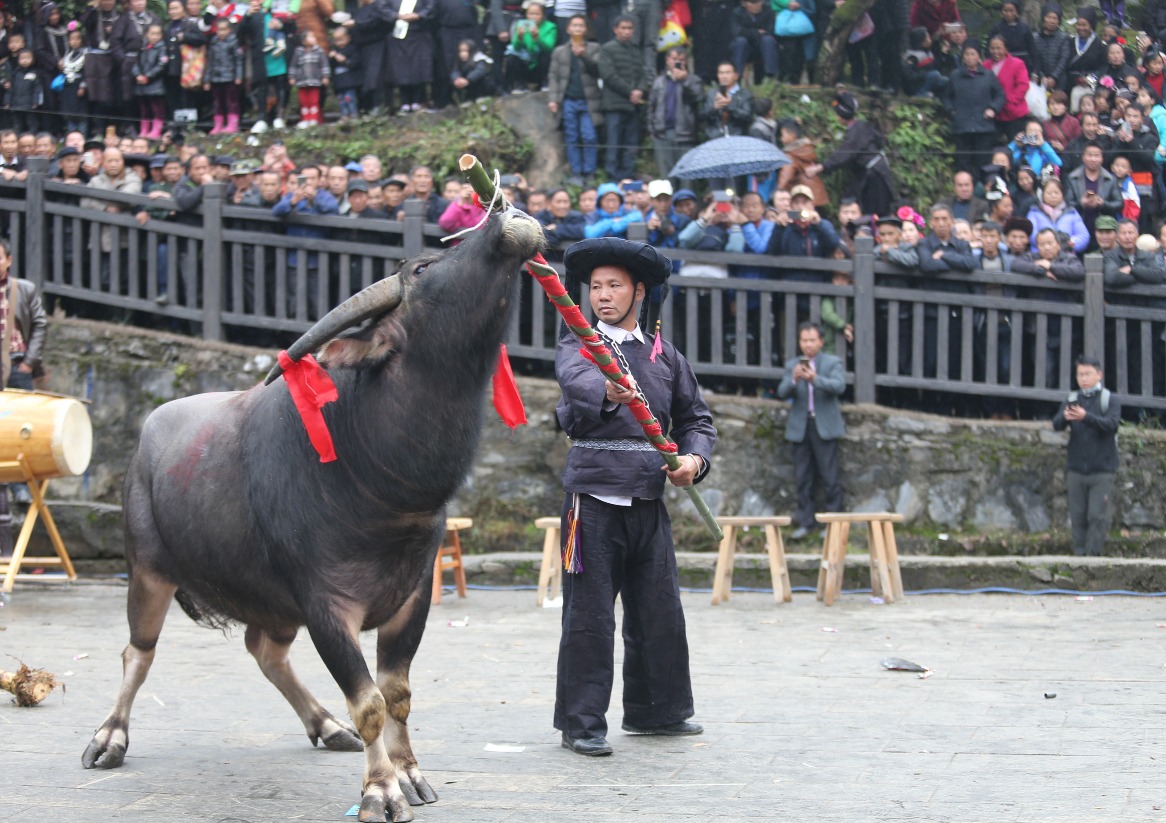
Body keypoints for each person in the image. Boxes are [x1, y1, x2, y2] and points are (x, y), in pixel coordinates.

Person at [553, 237, 716, 757]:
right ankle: (581, 723)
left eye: (614, 286)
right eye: (595, 287)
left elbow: (696, 421)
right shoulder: (579, 345)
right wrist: (608, 389)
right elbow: (577, 386)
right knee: (590, 615)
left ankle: (657, 712)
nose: (602, 296)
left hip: (649, 497)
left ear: (638, 291)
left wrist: (694, 460)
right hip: (593, 498)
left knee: (659, 609)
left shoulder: (665, 354)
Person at [778, 322, 845, 541]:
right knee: (803, 477)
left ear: (821, 342)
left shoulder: (832, 362)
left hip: (824, 425)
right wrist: (794, 379)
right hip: (801, 425)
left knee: (830, 476)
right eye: (804, 341)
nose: (808, 345)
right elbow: (781, 392)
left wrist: (815, 379)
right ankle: (806, 523)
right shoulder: (793, 365)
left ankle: (833, 522)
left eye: (812, 340)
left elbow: (839, 386)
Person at [1052, 356, 1121, 556]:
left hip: (1102, 469)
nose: (1083, 379)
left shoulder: (1110, 399)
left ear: (1098, 375)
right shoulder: (1072, 399)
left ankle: (1093, 560)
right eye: (1080, 374)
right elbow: (1056, 425)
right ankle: (1079, 557)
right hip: (1076, 468)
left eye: (1088, 374)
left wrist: (1086, 417)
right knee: (1078, 516)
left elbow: (1111, 425)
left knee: (1097, 517)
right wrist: (1064, 417)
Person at [805, 91, 895, 217]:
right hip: (872, 174)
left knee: (875, 215)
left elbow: (843, 154)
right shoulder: (862, 127)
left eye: (837, 114)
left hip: (875, 177)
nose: (836, 117)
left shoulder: (857, 131)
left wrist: (819, 168)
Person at [547, 15, 602, 187]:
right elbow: (553, 76)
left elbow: (599, 71)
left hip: (588, 101)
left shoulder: (594, 48)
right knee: (571, 137)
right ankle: (576, 173)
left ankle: (590, 172)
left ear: (585, 29)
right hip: (568, 100)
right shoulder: (560, 51)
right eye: (574, 25)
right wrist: (553, 99)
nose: (577, 28)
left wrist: (584, 56)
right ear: (568, 29)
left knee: (589, 136)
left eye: (581, 25)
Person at [597, 16, 647, 182]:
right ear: (615, 29)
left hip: (632, 106)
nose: (627, 32)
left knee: (631, 143)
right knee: (614, 142)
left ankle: (629, 174)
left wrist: (640, 90)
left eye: (629, 28)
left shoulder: (635, 49)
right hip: (614, 105)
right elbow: (608, 75)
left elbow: (642, 73)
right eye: (623, 28)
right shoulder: (607, 49)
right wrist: (630, 91)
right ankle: (612, 176)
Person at [647, 45, 702, 189]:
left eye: (681, 60)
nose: (677, 62)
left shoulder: (693, 80)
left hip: (685, 135)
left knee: (686, 179)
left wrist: (684, 81)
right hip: (662, 134)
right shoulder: (658, 81)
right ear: (667, 60)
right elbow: (651, 107)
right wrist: (652, 130)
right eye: (674, 59)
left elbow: (697, 99)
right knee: (667, 179)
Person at [701, 61, 754, 141]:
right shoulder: (711, 94)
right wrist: (714, 108)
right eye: (721, 73)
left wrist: (729, 106)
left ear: (736, 76)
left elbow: (748, 117)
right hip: (714, 139)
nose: (724, 76)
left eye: (727, 73)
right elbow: (701, 115)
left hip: (737, 138)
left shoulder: (745, 95)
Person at [729, 0, 778, 82]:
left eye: (758, 2)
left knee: (768, 40)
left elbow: (770, 30)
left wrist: (748, 32)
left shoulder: (768, 11)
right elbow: (736, 31)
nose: (757, 5)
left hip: (762, 46)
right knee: (740, 41)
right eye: (753, 3)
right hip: (745, 47)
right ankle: (737, 76)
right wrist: (756, 32)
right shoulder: (737, 13)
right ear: (744, 3)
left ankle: (770, 75)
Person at [289, 29, 329, 128]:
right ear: (304, 41)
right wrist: (292, 77)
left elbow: (324, 65)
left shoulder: (319, 51)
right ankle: (305, 119)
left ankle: (313, 119)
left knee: (314, 100)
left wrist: (325, 76)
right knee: (303, 101)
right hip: (302, 81)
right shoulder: (298, 52)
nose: (314, 39)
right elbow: (293, 65)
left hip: (315, 81)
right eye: (311, 37)